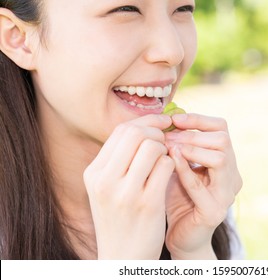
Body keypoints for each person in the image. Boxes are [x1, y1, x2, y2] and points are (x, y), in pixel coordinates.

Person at [0, 0, 243, 260]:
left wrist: (193, 250)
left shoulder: (192, 199)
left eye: (183, 9)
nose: (173, 51)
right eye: (125, 9)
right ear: (19, 38)